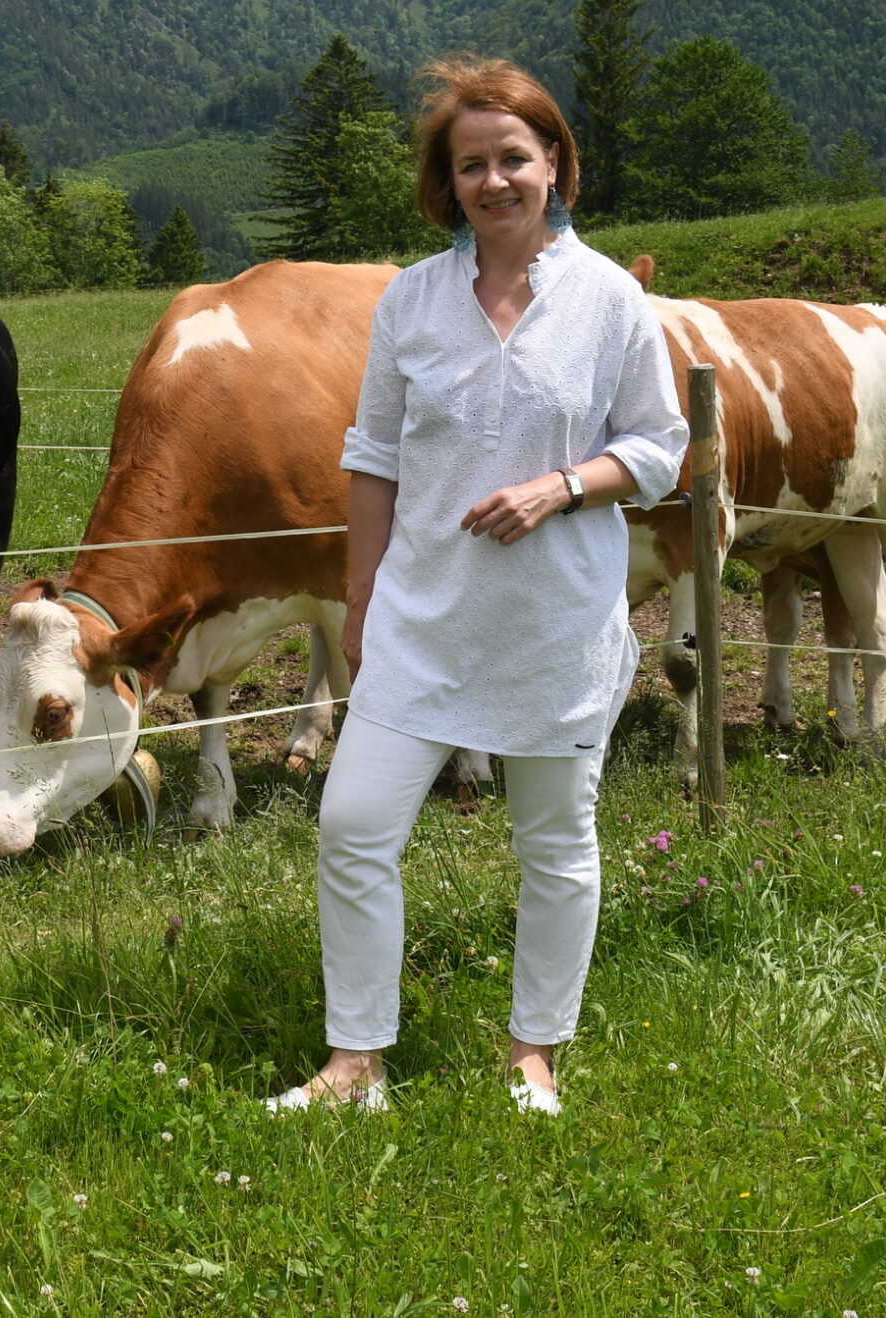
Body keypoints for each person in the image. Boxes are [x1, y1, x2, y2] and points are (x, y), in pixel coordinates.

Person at [269, 56, 687, 1117]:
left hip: (553, 624)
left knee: (553, 845)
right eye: (470, 166)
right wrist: (362, 603)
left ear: (555, 164)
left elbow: (658, 451)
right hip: (421, 618)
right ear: (445, 184)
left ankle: (532, 1054)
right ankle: (354, 1064)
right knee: (354, 826)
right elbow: (372, 457)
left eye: (513, 158)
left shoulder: (612, 304)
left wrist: (559, 487)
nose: (493, 181)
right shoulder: (410, 300)